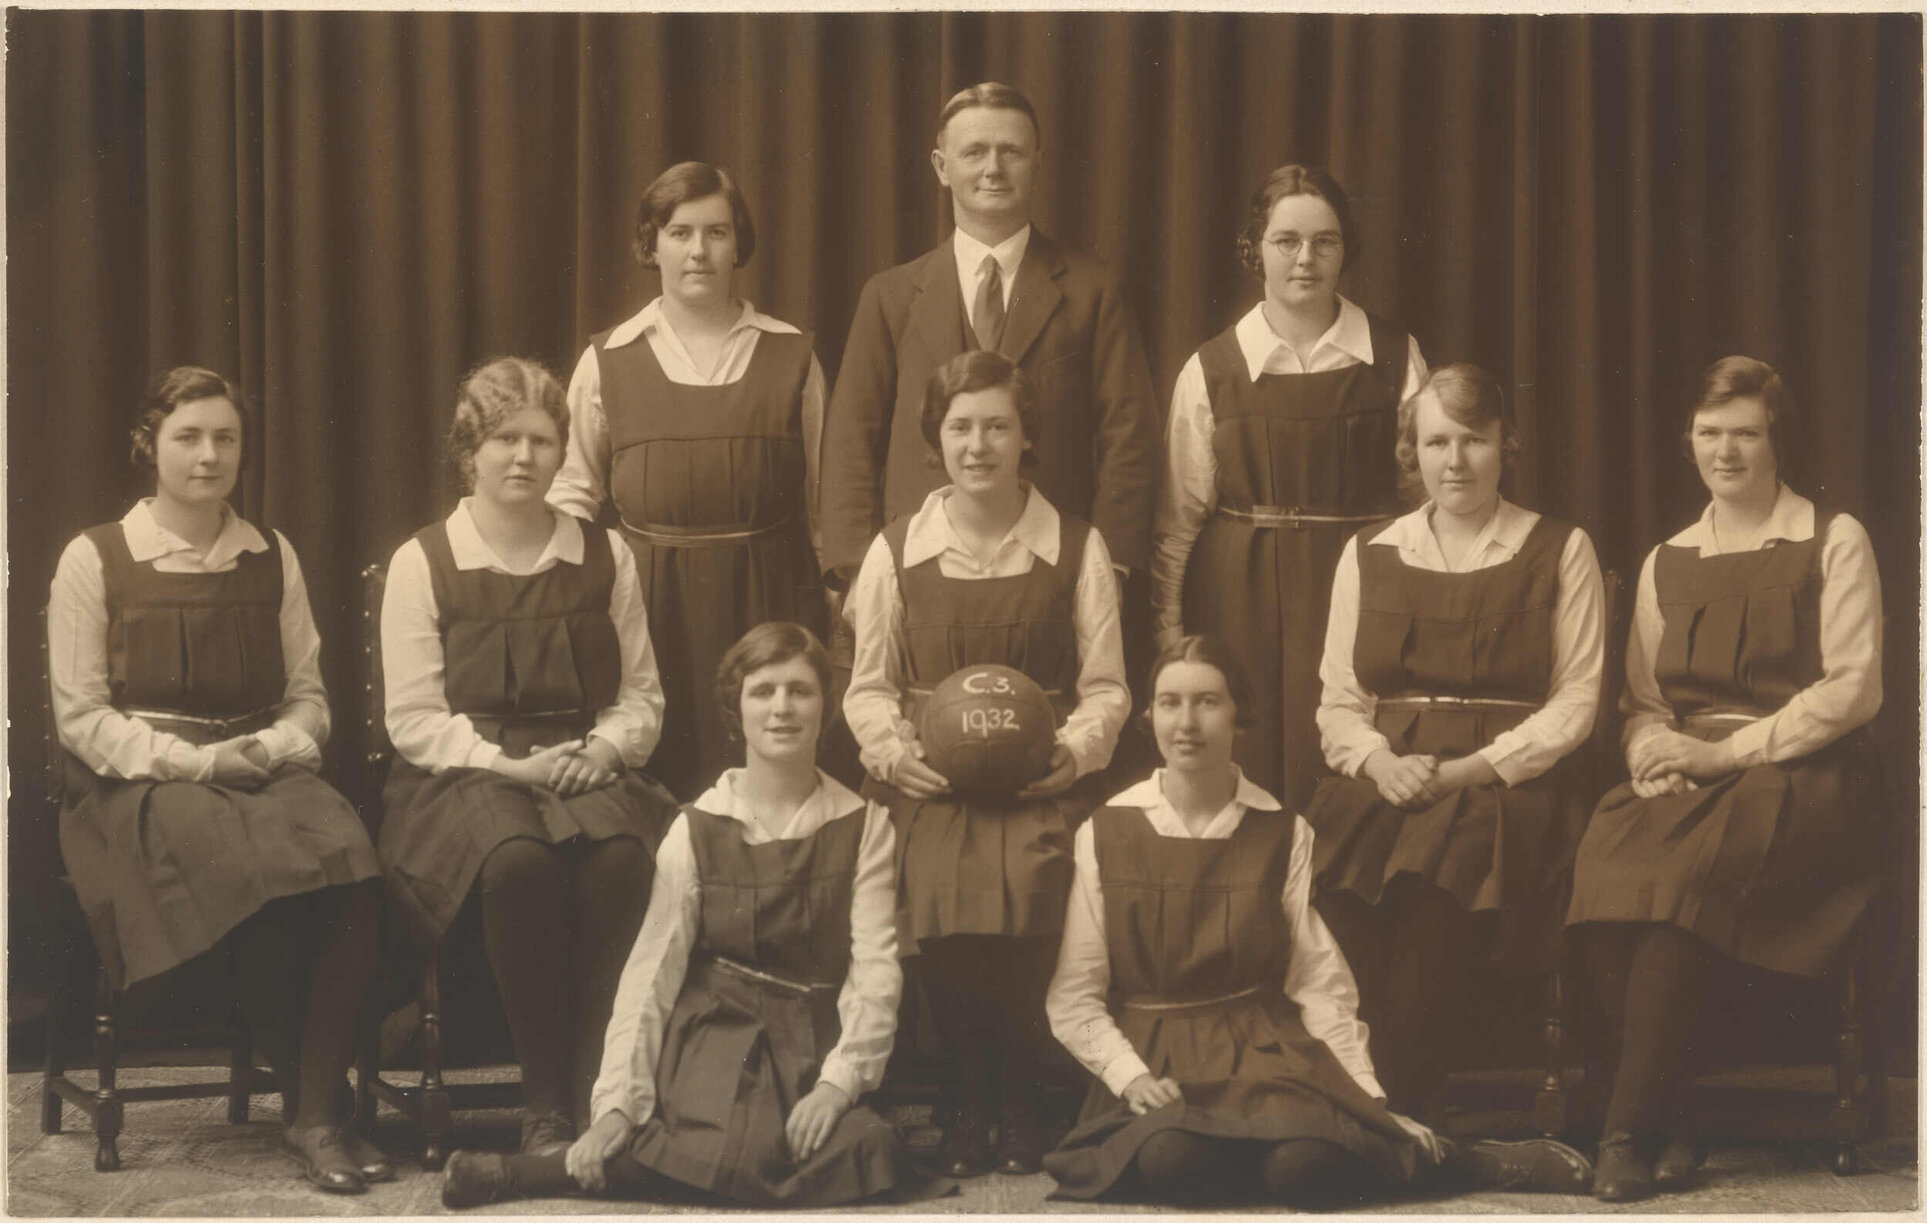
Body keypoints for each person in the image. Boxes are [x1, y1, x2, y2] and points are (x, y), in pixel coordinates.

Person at [1044, 635, 1593, 1206]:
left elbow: (1319, 984)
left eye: (1208, 701)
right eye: (1169, 702)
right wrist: (1127, 1075)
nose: (1186, 722)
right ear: (1149, 715)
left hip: (1262, 1052)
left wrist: (1366, 1098)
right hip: (1154, 1057)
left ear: (1240, 716)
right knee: (1173, 1160)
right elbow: (1074, 997)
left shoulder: (1282, 830)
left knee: (1305, 1171)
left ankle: (1458, 1162)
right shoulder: (1106, 831)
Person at [440, 623, 920, 1208]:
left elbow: (875, 971)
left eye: (801, 690)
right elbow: (651, 975)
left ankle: (545, 1175)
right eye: (762, 691)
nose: (782, 709)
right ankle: (541, 1170)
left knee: (871, 1149)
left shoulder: (863, 824)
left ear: (826, 706)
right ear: (735, 710)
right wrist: (615, 1106)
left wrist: (835, 1086)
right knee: (740, 1147)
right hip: (718, 1036)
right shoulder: (697, 826)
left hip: (814, 1036)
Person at [48, 366, 388, 1192]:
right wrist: (199, 762)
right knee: (253, 878)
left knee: (357, 868)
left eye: (225, 437)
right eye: (188, 437)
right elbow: (81, 717)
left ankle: (311, 1104)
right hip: (141, 784)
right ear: (149, 446)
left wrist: (269, 750)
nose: (209, 455)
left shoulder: (271, 554)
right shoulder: (96, 557)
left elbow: (309, 696)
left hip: (260, 765)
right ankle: (318, 1115)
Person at [1565, 356, 1884, 1202]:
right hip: (1691, 773)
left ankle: (1627, 1132)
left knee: (1677, 882)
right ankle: (1676, 1115)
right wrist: (1649, 755)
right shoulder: (1669, 557)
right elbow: (1639, 701)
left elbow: (1854, 688)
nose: (1726, 451)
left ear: (1776, 439)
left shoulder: (1830, 537)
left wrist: (1721, 757)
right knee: (1603, 869)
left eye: (1745, 433)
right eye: (1710, 434)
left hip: (1800, 776)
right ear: (1688, 442)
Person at [379, 357, 677, 1159]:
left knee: (620, 856)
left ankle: (596, 1086)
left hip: (584, 762)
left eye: (542, 440)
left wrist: (607, 747)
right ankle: (544, 1100)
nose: (524, 458)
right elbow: (413, 719)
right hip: (464, 773)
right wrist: (514, 768)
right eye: (505, 439)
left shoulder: (604, 554)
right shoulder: (425, 559)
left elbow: (642, 694)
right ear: (468, 450)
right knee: (517, 863)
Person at [843, 350, 1129, 1177]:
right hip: (933, 782)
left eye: (997, 425)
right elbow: (867, 687)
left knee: (1043, 874)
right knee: (934, 879)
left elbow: (1106, 687)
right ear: (936, 438)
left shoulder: (1076, 546)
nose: (979, 444)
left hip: (1039, 780)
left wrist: (1072, 755)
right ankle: (969, 1090)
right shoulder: (895, 550)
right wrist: (895, 756)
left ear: (1025, 435)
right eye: (960, 426)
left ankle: (1021, 1094)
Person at [1304, 364, 1604, 1128]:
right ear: (1412, 450)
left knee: (1432, 867)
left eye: (1474, 440)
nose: (1454, 460)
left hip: (1504, 783)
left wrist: (1472, 768)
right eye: (1436, 441)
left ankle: (1400, 1103)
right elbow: (1340, 700)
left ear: (1506, 445)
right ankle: (1333, 1090)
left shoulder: (1557, 548)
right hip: (1389, 771)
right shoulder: (1370, 551)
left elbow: (1575, 699)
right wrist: (1377, 761)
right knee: (1324, 860)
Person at [550, 161, 830, 799]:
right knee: (660, 781)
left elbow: (821, 504)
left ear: (740, 244)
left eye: (717, 233)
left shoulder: (794, 356)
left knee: (767, 779)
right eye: (679, 233)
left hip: (770, 595)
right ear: (652, 245)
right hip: (649, 605)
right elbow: (571, 495)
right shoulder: (608, 359)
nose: (699, 251)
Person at [1151, 164, 1428, 809]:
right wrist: (1170, 639)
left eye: (1325, 242)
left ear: (1344, 249)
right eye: (1287, 241)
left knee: (1350, 766)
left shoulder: (1394, 356)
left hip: (1360, 588)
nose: (1306, 259)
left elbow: (1424, 499)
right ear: (1256, 250)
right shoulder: (1212, 367)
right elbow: (1177, 526)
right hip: (1238, 596)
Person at [820, 80, 1158, 604]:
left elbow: (1130, 436)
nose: (992, 168)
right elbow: (849, 441)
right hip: (916, 568)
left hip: (1055, 570)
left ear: (1037, 163)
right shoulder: (890, 296)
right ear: (940, 166)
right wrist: (857, 569)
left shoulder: (1094, 290)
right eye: (974, 151)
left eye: (1011, 151)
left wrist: (1107, 565)